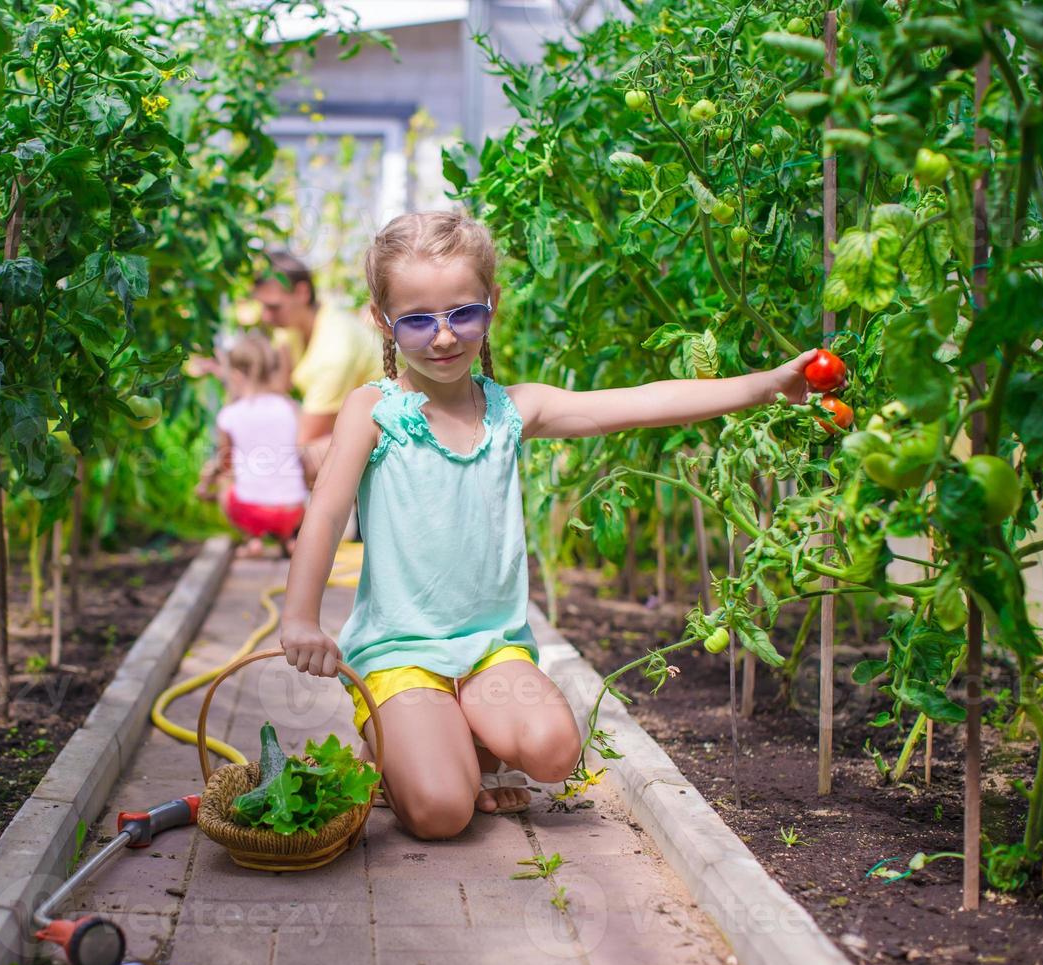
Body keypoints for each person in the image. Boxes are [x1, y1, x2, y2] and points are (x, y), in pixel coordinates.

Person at [277, 210, 822, 839]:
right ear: (383, 321)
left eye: (464, 313)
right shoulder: (374, 410)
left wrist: (768, 387)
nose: (445, 336)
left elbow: (642, 403)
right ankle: (400, 747)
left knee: (555, 753)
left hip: (489, 649)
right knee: (442, 814)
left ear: (492, 304)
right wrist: (299, 617)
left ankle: (449, 741)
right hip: (400, 652)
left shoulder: (514, 410)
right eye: (418, 320)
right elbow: (326, 513)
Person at [252, 250, 382, 488]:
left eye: (273, 307)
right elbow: (279, 388)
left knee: (299, 461)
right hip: (346, 425)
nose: (266, 317)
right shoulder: (293, 325)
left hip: (385, 435)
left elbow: (306, 439)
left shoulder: (334, 350)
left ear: (302, 293)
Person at [196, 333, 308, 557]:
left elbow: (225, 462)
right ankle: (288, 538)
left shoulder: (230, 415)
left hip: (250, 510)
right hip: (293, 510)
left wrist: (204, 483)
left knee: (224, 479)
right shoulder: (289, 407)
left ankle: (252, 538)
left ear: (236, 375)